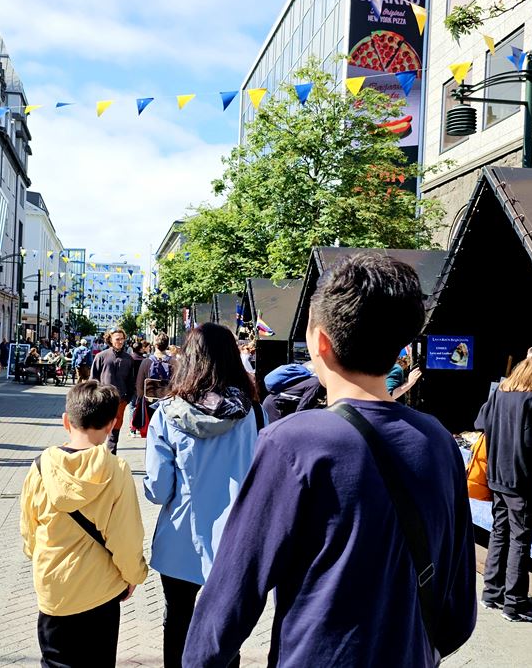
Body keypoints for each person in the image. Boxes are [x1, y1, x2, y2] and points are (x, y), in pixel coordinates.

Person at [185, 253, 476, 667]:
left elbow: (233, 592)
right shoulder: (438, 441)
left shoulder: (293, 443)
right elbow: (459, 608)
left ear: (320, 341)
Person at [144, 323, 260, 668]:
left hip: (180, 537)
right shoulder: (254, 413)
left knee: (178, 620)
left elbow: (158, 490)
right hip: (235, 540)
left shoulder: (167, 413)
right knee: (225, 630)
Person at [20, 381, 149, 668]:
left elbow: (29, 530)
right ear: (112, 424)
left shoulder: (40, 467)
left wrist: (38, 558)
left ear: (66, 421)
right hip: (100, 590)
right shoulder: (116, 470)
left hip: (54, 589)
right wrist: (133, 575)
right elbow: (126, 536)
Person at [474, 348, 532, 623]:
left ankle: (492, 593)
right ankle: (514, 603)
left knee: (500, 533)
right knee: (519, 540)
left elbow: (480, 423)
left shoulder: (501, 392)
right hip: (521, 479)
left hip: (498, 475)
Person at [91, 329, 137, 453]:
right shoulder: (101, 356)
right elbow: (93, 379)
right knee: (101, 427)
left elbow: (131, 381)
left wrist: (127, 399)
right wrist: (94, 396)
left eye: (122, 339)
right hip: (103, 400)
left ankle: (111, 455)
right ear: (110, 340)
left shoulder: (128, 359)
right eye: (117, 339)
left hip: (120, 400)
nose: (120, 341)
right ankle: (97, 454)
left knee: (115, 430)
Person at [131, 332, 173, 438]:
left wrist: (140, 400)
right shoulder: (173, 362)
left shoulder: (146, 362)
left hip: (150, 402)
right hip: (169, 403)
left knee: (152, 433)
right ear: (167, 345)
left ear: (155, 344)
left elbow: (139, 385)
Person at [261, 361, 325, 423]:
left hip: (273, 402)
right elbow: (302, 409)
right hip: (274, 406)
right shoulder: (316, 383)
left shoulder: (309, 380)